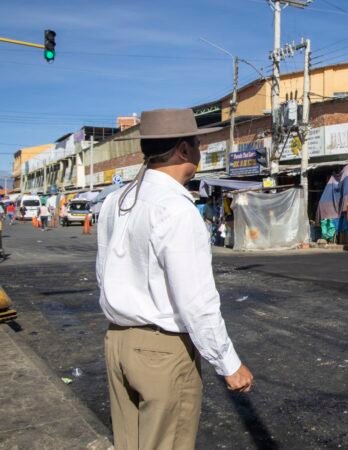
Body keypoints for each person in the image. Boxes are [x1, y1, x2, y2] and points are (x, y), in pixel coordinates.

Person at [97, 108, 253, 449]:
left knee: (132, 444)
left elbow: (103, 270)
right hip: (162, 350)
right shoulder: (177, 209)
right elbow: (195, 300)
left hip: (118, 342)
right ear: (184, 149)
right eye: (198, 143)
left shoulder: (115, 201)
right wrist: (228, 363)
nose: (200, 150)